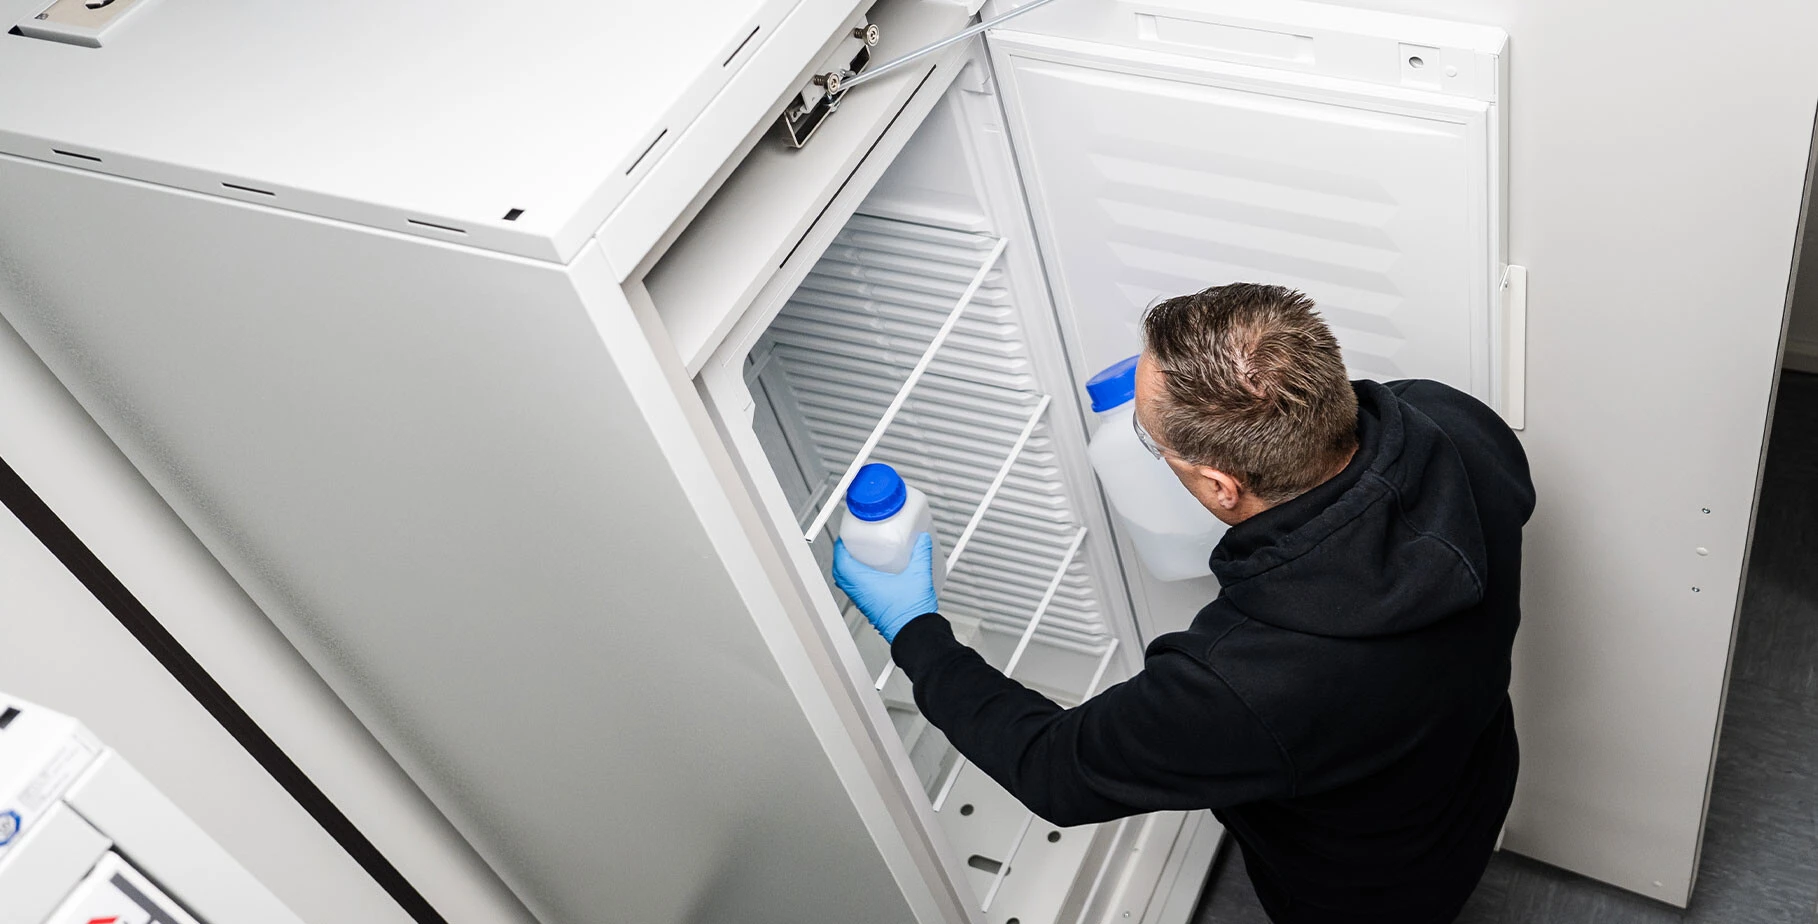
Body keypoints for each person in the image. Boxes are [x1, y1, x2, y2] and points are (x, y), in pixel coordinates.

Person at [833, 283, 1535, 924]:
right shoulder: (1455, 423)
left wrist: (915, 628)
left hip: (1358, 889)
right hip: (1474, 780)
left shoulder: (1247, 681)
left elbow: (1053, 768)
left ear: (1222, 487)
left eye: (1149, 437)